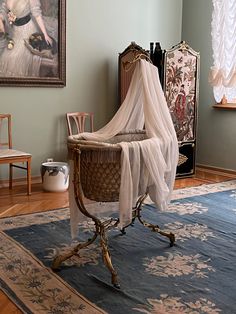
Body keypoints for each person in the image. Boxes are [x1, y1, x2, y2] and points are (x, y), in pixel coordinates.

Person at [0, 0, 52, 77]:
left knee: (14, 57)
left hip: (27, 32)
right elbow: (3, 11)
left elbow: (37, 15)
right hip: (14, 32)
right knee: (5, 56)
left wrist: (45, 34)